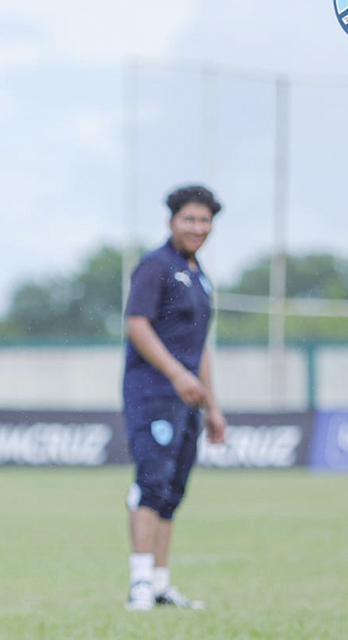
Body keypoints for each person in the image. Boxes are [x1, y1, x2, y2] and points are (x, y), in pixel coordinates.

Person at [121, 184, 227, 611]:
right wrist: (175, 375)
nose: (197, 227)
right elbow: (137, 325)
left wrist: (213, 407)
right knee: (150, 483)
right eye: (190, 219)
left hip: (186, 398)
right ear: (171, 222)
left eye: (205, 220)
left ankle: (161, 584)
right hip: (153, 393)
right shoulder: (155, 266)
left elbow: (200, 348)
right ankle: (139, 585)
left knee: (172, 489)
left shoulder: (200, 277)